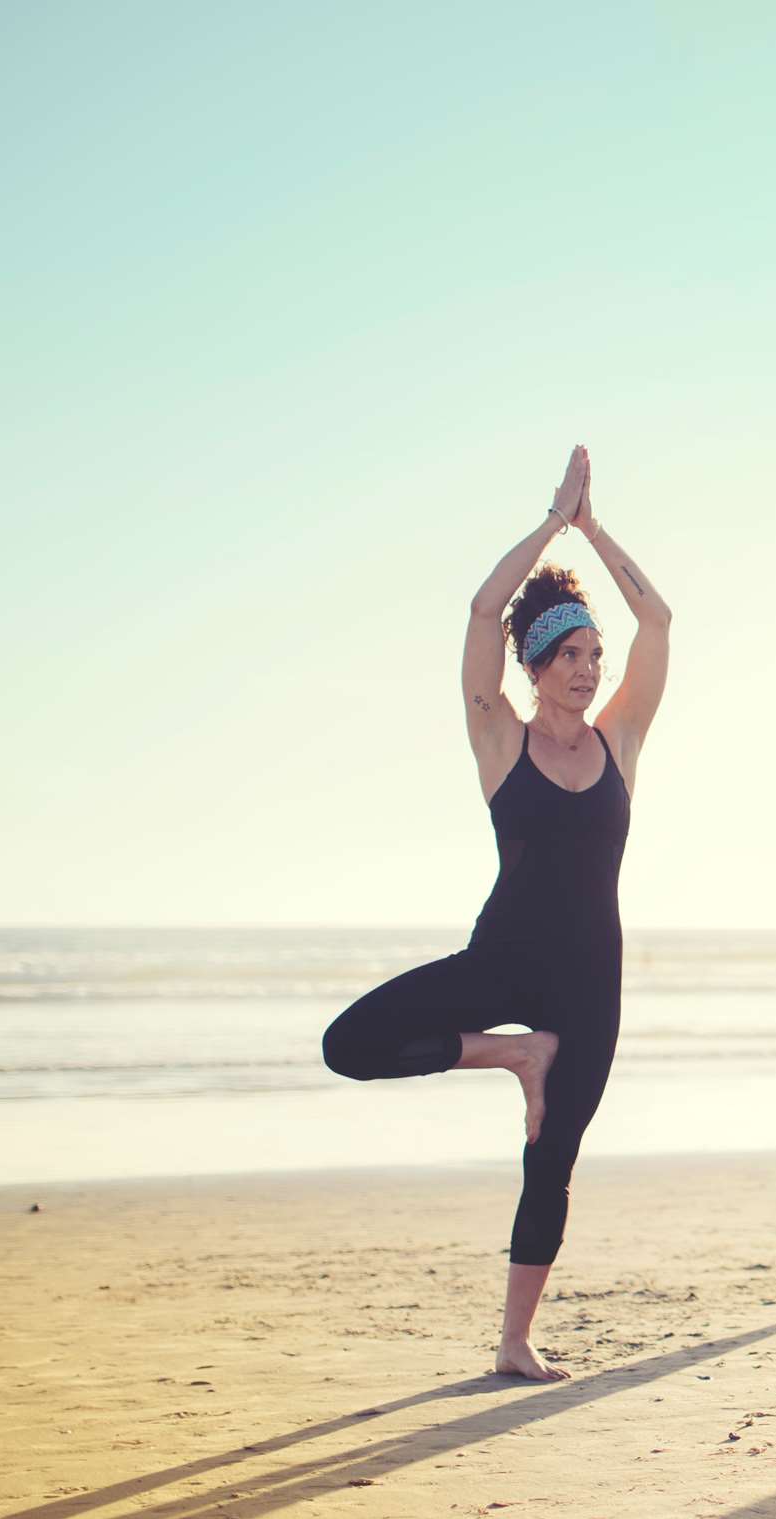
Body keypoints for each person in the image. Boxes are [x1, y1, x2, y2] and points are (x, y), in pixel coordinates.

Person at [320, 446, 670, 1380]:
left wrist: (597, 533)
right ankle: (513, 1054)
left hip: (592, 978)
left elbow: (661, 618)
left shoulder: (620, 741)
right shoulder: (498, 738)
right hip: (504, 959)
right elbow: (481, 611)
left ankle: (516, 1340)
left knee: (552, 1158)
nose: (590, 670)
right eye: (571, 655)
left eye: (595, 654)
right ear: (535, 663)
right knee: (347, 1044)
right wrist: (554, 523)